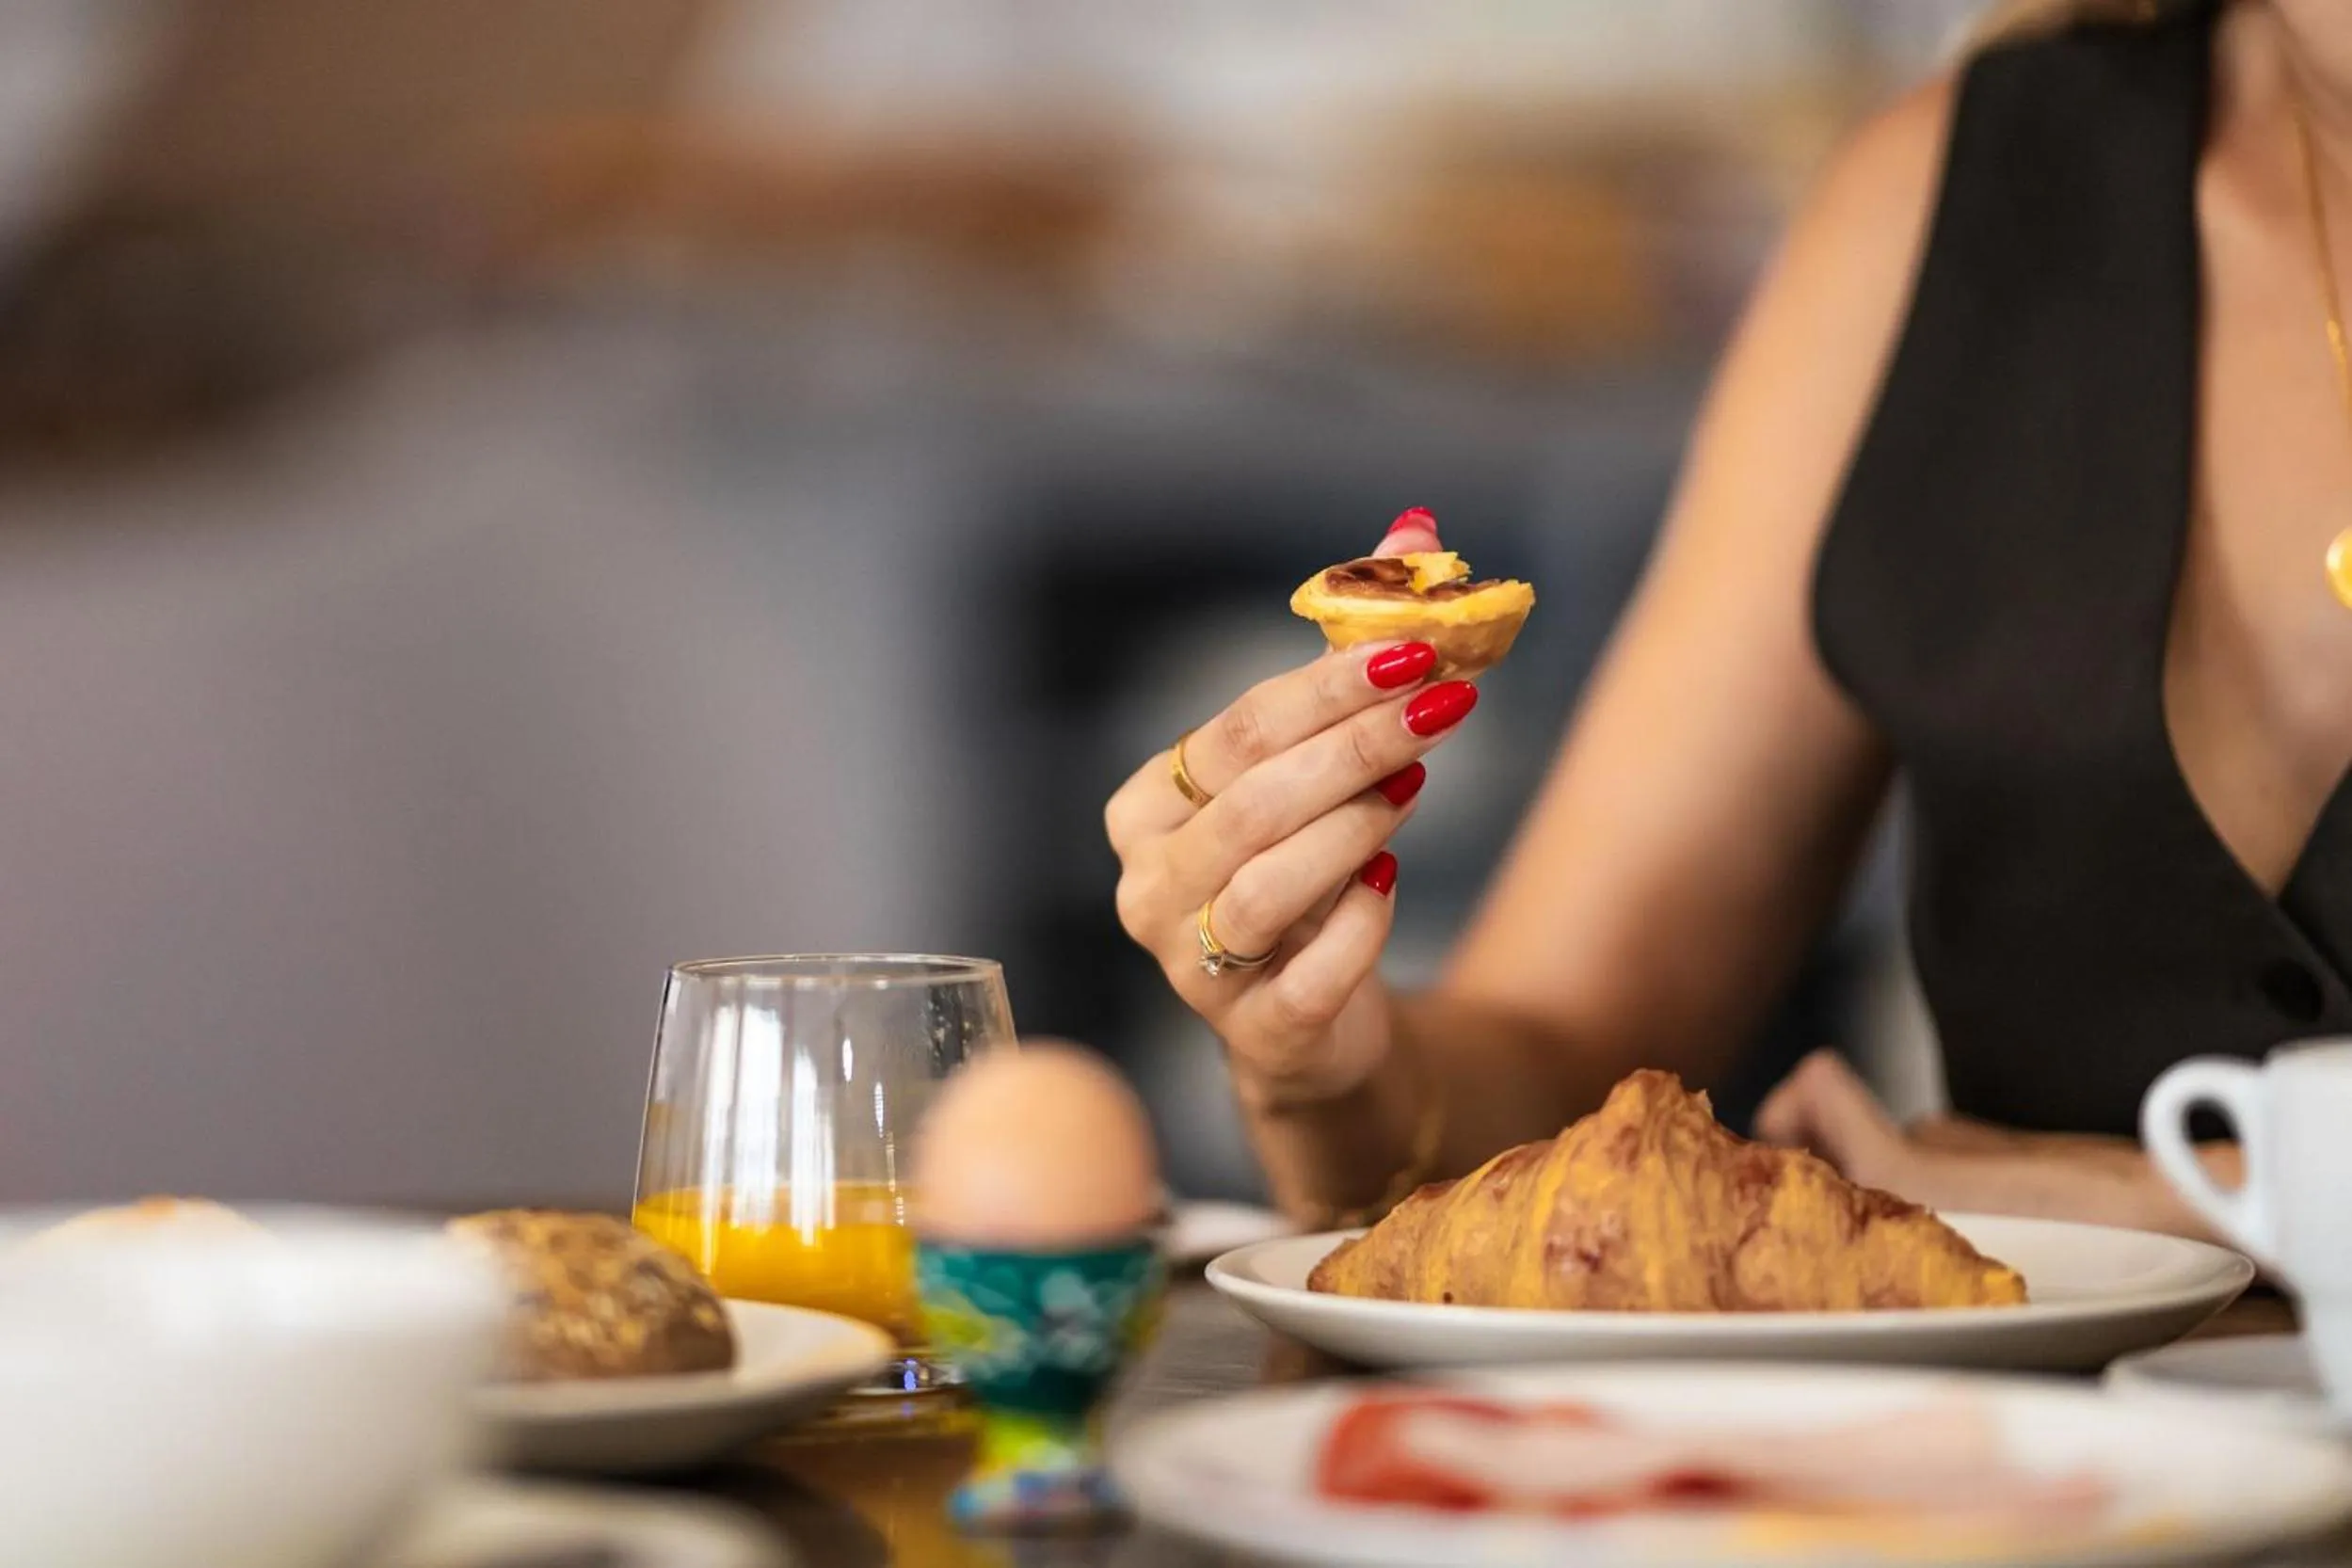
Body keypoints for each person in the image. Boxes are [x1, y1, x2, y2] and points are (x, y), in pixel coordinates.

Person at [1106, 0, 2344, 1240]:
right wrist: (1323, 1058)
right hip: (2003, 1443)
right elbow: (1539, 1078)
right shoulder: (1937, 198)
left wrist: (2191, 1198)